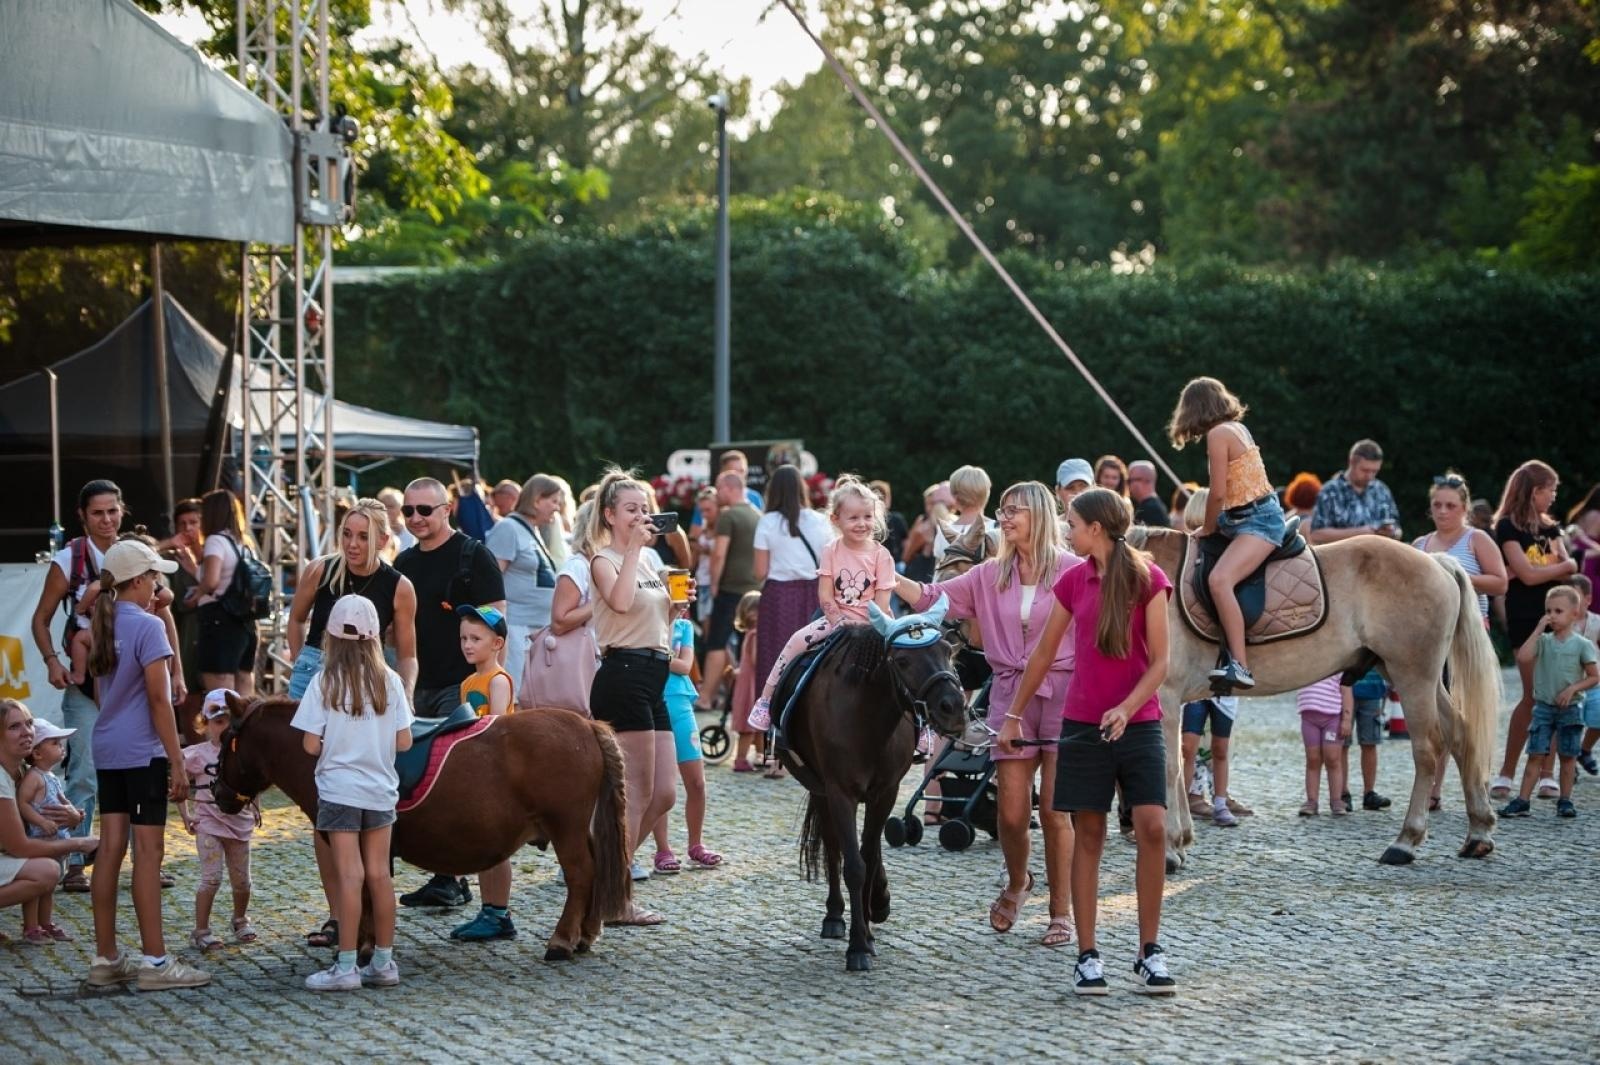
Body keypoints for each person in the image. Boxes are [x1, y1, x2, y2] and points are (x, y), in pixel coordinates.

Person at [1003, 488, 1175, 995]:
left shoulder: (1150, 579)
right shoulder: (1073, 581)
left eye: (1072, 523)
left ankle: (1149, 951)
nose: (1067, 530)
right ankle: (1088, 954)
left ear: (1095, 528)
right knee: (1091, 835)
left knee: (1153, 827)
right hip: (1081, 725)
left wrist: (1126, 707)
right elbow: (1041, 655)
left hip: (1139, 722)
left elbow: (1161, 661)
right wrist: (1012, 714)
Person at [896, 481, 1078, 946]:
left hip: (1064, 697)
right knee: (1013, 814)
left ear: (1038, 515)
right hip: (1010, 698)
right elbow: (931, 597)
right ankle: (1018, 882)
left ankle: (1062, 912)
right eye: (1003, 509)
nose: (1006, 517)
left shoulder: (1074, 570)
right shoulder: (988, 575)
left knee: (1058, 812)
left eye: (1015, 510)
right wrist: (884, 574)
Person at [85, 539, 209, 990]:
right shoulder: (149, 627)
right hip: (142, 752)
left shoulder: (104, 621)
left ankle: (105, 958)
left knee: (111, 849)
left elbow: (106, 695)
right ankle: (155, 962)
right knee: (149, 856)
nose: (160, 582)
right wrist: (177, 761)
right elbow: (159, 700)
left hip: (108, 748)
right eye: (155, 575)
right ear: (138, 581)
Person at [291, 595, 414, 989]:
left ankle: (345, 966)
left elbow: (310, 745)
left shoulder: (324, 681)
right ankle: (383, 962)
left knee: (349, 876)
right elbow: (405, 741)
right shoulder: (391, 680)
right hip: (380, 790)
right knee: (379, 875)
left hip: (340, 790)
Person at [393, 477, 505, 909]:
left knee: (455, 783)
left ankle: (457, 878)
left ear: (447, 509)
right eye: (408, 511)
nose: (416, 518)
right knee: (418, 779)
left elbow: (499, 625)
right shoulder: (403, 561)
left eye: (425, 510)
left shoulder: (473, 555)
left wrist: (488, 685)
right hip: (416, 682)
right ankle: (446, 875)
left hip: (462, 686)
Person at [28, 479, 139, 891]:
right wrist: (52, 661)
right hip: (86, 682)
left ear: (122, 511)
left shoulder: (134, 552)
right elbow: (40, 618)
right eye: (98, 512)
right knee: (85, 772)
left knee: (138, 769)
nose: (107, 520)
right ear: (83, 516)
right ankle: (75, 861)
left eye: (113, 511)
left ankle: (143, 858)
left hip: (132, 681)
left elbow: (161, 611)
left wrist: (174, 672)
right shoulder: (69, 559)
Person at [587, 471, 675, 922]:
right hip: (622, 674)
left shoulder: (649, 562)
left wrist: (677, 606)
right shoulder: (604, 559)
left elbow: (651, 614)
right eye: (632, 509)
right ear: (610, 515)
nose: (642, 516)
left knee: (663, 794)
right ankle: (614, 898)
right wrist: (636, 549)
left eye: (645, 508)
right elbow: (619, 604)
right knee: (635, 792)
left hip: (654, 673)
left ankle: (603, 871)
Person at [748, 477, 898, 731]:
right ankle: (766, 699)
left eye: (867, 517)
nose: (862, 523)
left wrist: (867, 625)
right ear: (835, 519)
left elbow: (882, 602)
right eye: (853, 518)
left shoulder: (882, 555)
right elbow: (826, 595)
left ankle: (920, 722)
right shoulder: (831, 550)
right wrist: (839, 622)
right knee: (795, 640)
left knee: (910, 657)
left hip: (875, 621)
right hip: (836, 619)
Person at [1167, 376, 1286, 692]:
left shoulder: (1218, 434)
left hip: (1256, 521)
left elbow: (1217, 493)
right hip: (1245, 516)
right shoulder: (1237, 428)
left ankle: (1241, 665)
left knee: (1219, 580)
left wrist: (1207, 527)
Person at [1412, 471, 1507, 808]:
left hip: (1468, 634)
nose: (1442, 511)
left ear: (1463, 507)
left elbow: (1500, 582)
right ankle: (1433, 790)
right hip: (1431, 639)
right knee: (1436, 714)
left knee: (1467, 711)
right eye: (1436, 504)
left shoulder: (1476, 540)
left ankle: (1477, 781)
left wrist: (1456, 577)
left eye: (1450, 505)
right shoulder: (1419, 546)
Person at [1489, 461, 1579, 800]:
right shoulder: (1508, 526)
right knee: (1532, 696)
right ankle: (1507, 771)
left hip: (1559, 617)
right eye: (1550, 490)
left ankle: (1546, 772)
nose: (1553, 496)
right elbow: (1528, 575)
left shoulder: (1551, 528)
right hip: (1526, 617)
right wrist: (1560, 566)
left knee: (1558, 696)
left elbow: (1568, 569)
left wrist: (1560, 567)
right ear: (1534, 490)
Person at [448, 605, 520, 941]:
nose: (467, 644)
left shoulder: (498, 680)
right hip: (477, 768)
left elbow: (496, 725)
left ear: (497, 643)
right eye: (463, 638)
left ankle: (499, 910)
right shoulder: (467, 682)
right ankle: (489, 909)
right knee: (483, 844)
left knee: (496, 844)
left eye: (475, 638)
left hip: (497, 770)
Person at [1176, 490, 1248, 827]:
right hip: (1194, 673)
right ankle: (1186, 797)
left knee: (1220, 745)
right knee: (1188, 744)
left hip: (1220, 677)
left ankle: (1220, 798)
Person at [1, 703, 98, 950]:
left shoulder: (24, 771)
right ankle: (33, 925)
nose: (26, 732)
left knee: (47, 867)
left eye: (29, 723)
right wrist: (80, 843)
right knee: (46, 871)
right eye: (14, 726)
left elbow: (58, 806)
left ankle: (40, 923)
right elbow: (19, 846)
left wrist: (74, 818)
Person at [1497, 585, 1597, 820]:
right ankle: (1522, 800)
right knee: (1535, 754)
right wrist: (1538, 629)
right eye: (1549, 610)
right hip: (1542, 708)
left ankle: (1565, 800)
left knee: (1568, 756)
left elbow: (1594, 676)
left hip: (1570, 709)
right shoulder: (1543, 641)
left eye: (1558, 611)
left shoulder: (1582, 645)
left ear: (1574, 613)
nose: (1552, 615)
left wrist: (1573, 688)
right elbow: (1523, 656)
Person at [181, 690, 258, 952]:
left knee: (242, 881)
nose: (223, 727)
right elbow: (178, 785)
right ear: (205, 724)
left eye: (228, 721)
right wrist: (185, 815)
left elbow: (254, 784)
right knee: (211, 879)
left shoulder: (244, 754)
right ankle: (201, 930)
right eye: (217, 722)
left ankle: (240, 919)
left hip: (240, 824)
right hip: (208, 824)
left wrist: (255, 808)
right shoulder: (195, 755)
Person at [751, 464, 830, 714]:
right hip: (814, 593)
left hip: (778, 596)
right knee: (815, 654)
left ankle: (772, 714)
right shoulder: (819, 521)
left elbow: (760, 571)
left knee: (775, 657)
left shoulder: (767, 522)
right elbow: (828, 563)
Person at [649, 611, 722, 873]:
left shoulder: (684, 625)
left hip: (680, 702)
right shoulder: (649, 618)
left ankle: (695, 845)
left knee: (697, 782)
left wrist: (659, 657)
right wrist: (671, 659)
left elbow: (685, 665)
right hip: (654, 702)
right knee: (661, 785)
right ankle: (663, 850)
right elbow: (675, 662)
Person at [487, 475, 563, 691]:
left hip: (535, 630)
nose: (557, 508)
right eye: (554, 501)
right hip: (515, 627)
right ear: (537, 499)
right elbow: (490, 579)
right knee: (515, 694)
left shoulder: (532, 529)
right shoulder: (509, 528)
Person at [694, 470, 762, 714]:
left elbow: (719, 554)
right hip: (755, 590)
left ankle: (705, 698)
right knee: (749, 646)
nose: (718, 493)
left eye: (720, 488)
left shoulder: (728, 516)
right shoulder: (757, 515)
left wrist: (713, 584)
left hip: (730, 589)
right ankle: (749, 700)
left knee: (716, 643)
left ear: (730, 489)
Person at [188, 488, 259, 700]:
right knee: (244, 684)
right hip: (245, 622)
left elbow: (211, 581)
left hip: (219, 621)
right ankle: (247, 732)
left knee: (221, 691)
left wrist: (195, 597)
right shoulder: (245, 544)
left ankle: (224, 733)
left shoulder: (215, 541)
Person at [17, 720, 77, 942]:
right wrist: (40, 822)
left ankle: (45, 922)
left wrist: (74, 812)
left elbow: (63, 800)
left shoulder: (51, 777)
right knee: (37, 888)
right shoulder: (34, 777)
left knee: (49, 887)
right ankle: (31, 926)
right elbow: (22, 803)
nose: (61, 747)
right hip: (40, 841)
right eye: (54, 743)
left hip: (57, 841)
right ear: (38, 753)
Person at [1306, 440, 1402, 545]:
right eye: (1365, 470)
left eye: (1374, 471)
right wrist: (1360, 533)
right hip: (1341, 559)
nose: (1369, 476)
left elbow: (1398, 530)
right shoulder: (1330, 491)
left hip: (1378, 558)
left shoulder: (1382, 490)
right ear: (1351, 462)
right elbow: (1316, 535)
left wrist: (1392, 533)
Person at [160, 497, 206, 698]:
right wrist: (170, 543)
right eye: (183, 524)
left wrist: (197, 571)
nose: (188, 529)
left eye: (194, 522)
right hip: (186, 630)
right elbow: (143, 552)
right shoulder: (174, 557)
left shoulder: (216, 553)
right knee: (189, 693)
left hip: (215, 628)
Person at [1296, 674, 1351, 817]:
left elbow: (1346, 690)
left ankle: (1336, 800)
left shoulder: (1337, 664)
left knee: (1333, 759)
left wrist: (1346, 719)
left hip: (1332, 717)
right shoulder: (1304, 663)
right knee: (1312, 759)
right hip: (1309, 718)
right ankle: (1311, 801)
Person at [1566, 576, 1600, 775]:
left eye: (1575, 597)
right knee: (1570, 725)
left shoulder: (1596, 622)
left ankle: (1584, 750)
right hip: (1569, 686)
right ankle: (1569, 761)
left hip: (1594, 683)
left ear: (1588, 599)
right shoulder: (1562, 624)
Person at [728, 591, 764, 772]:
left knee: (757, 727)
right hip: (752, 684)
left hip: (746, 681)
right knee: (749, 727)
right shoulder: (757, 634)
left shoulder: (749, 633)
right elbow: (758, 660)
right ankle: (740, 759)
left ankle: (761, 755)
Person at [691, 486, 719, 625]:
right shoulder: (702, 527)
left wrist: (708, 551)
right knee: (705, 625)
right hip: (702, 581)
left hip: (717, 583)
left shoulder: (724, 528)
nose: (704, 514)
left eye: (708, 510)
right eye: (702, 510)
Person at [1055, 458, 1094, 537]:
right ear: (1058, 491)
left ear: (1094, 488)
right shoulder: (1050, 529)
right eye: (1070, 488)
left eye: (1083, 487)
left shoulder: (1106, 526)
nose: (1077, 493)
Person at [1127, 461, 1168, 527]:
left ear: (1144, 480)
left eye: (1130, 480)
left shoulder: (1149, 510)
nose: (1128, 485)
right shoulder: (1154, 506)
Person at [377, 487, 416, 556]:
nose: (386, 510)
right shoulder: (371, 532)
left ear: (401, 508)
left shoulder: (412, 533)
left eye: (391, 506)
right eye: (382, 506)